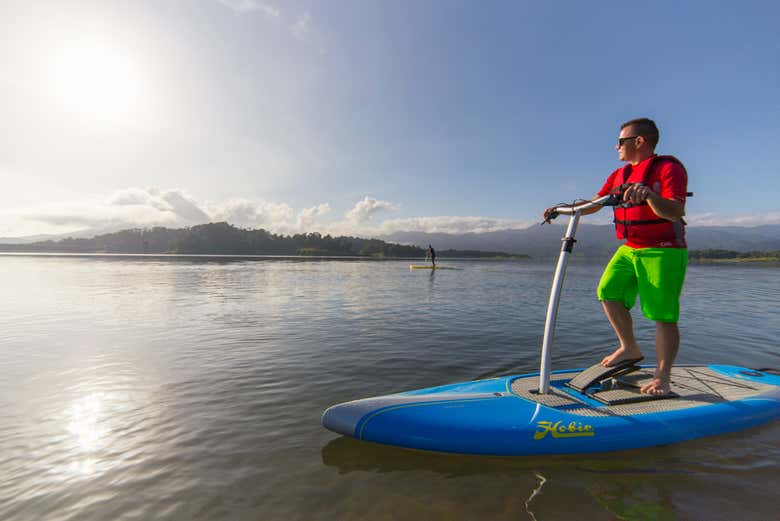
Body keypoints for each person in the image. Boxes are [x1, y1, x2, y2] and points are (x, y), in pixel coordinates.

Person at [543, 118, 688, 396]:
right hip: (630, 247)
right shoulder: (619, 175)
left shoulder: (668, 168)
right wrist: (561, 209)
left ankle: (662, 378)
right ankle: (629, 347)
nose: (616, 146)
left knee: (662, 315)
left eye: (620, 141)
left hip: (663, 250)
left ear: (639, 141)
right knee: (607, 292)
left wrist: (648, 196)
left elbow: (675, 211)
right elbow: (593, 205)